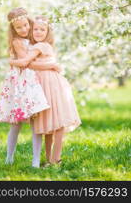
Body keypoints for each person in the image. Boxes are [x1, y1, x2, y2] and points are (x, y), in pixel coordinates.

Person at [9, 15, 81, 165]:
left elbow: (25, 63)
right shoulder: (38, 45)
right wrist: (52, 65)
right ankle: (50, 159)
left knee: (54, 121)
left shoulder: (39, 46)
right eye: (35, 29)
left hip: (50, 83)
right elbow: (34, 63)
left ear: (48, 32)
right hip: (45, 83)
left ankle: (55, 158)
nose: (38, 32)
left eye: (42, 29)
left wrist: (11, 61)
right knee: (50, 121)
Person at [0, 8, 60, 167]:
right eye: (19, 27)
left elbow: (42, 56)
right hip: (21, 85)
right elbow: (26, 62)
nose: (23, 29)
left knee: (36, 124)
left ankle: (36, 161)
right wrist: (51, 65)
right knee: (16, 125)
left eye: (25, 25)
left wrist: (50, 63)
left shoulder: (35, 38)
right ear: (13, 29)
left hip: (34, 84)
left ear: (29, 23)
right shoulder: (17, 42)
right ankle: (9, 158)